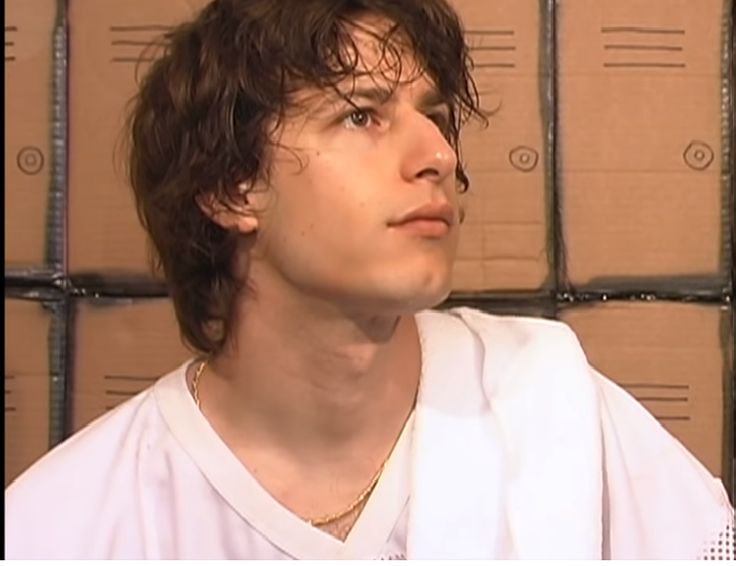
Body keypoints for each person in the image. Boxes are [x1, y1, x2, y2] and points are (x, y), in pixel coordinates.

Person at [5, 0, 734, 559]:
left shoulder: (557, 409)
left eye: (437, 117)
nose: (439, 156)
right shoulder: (65, 524)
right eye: (361, 116)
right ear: (231, 187)